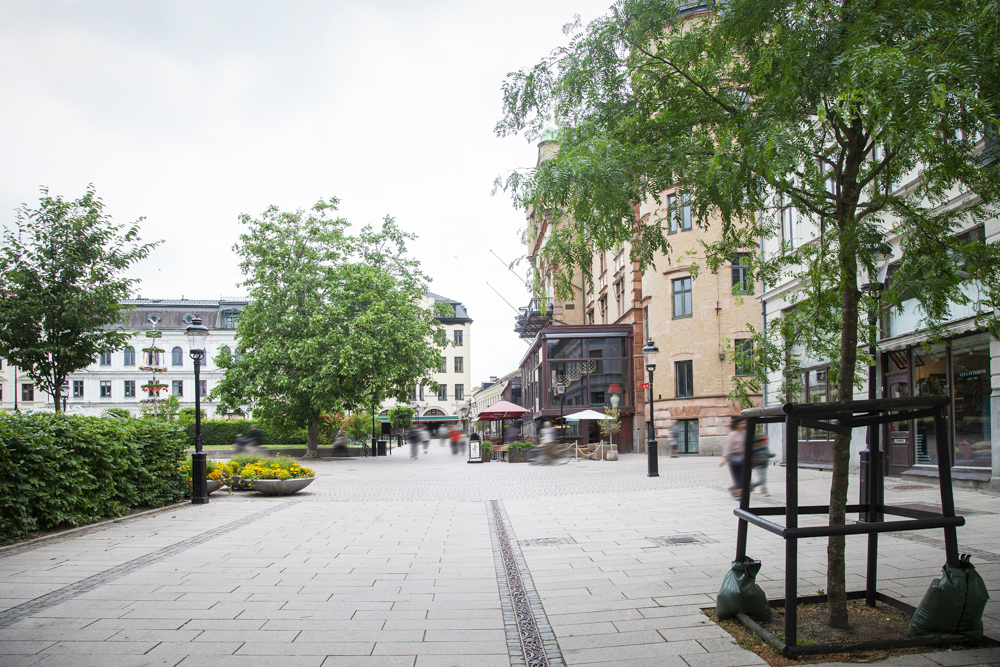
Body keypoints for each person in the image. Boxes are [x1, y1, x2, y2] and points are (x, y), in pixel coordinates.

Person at [721, 416, 747, 499]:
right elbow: (728, 448)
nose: (743, 425)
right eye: (741, 423)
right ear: (736, 424)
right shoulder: (732, 434)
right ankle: (739, 494)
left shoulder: (745, 433)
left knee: (743, 476)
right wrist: (724, 459)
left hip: (743, 459)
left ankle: (734, 489)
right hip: (733, 459)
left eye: (744, 423)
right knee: (737, 477)